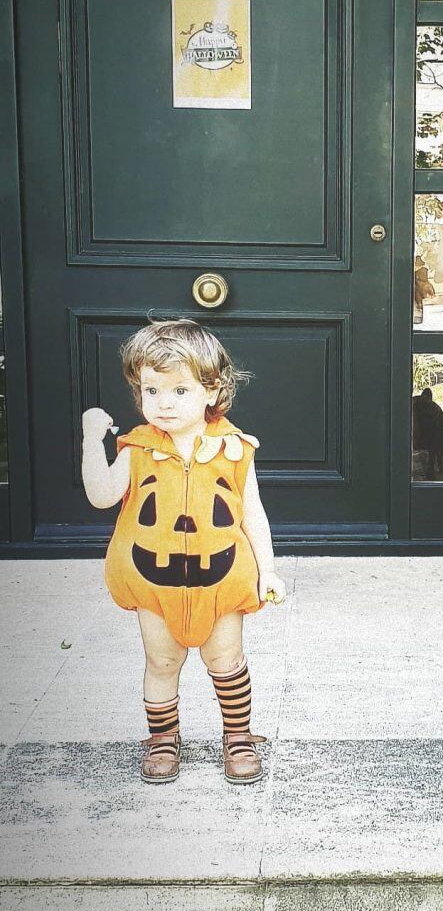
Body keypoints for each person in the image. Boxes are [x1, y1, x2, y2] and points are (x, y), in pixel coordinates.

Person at [81, 317, 286, 786]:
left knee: (226, 659)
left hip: (222, 579)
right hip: (155, 583)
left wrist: (268, 571)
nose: (163, 404)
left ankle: (237, 736)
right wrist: (93, 440)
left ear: (211, 392)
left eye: (179, 391)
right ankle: (162, 738)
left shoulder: (234, 449)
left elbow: (252, 514)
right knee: (162, 661)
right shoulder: (137, 448)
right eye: (151, 391)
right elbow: (100, 494)